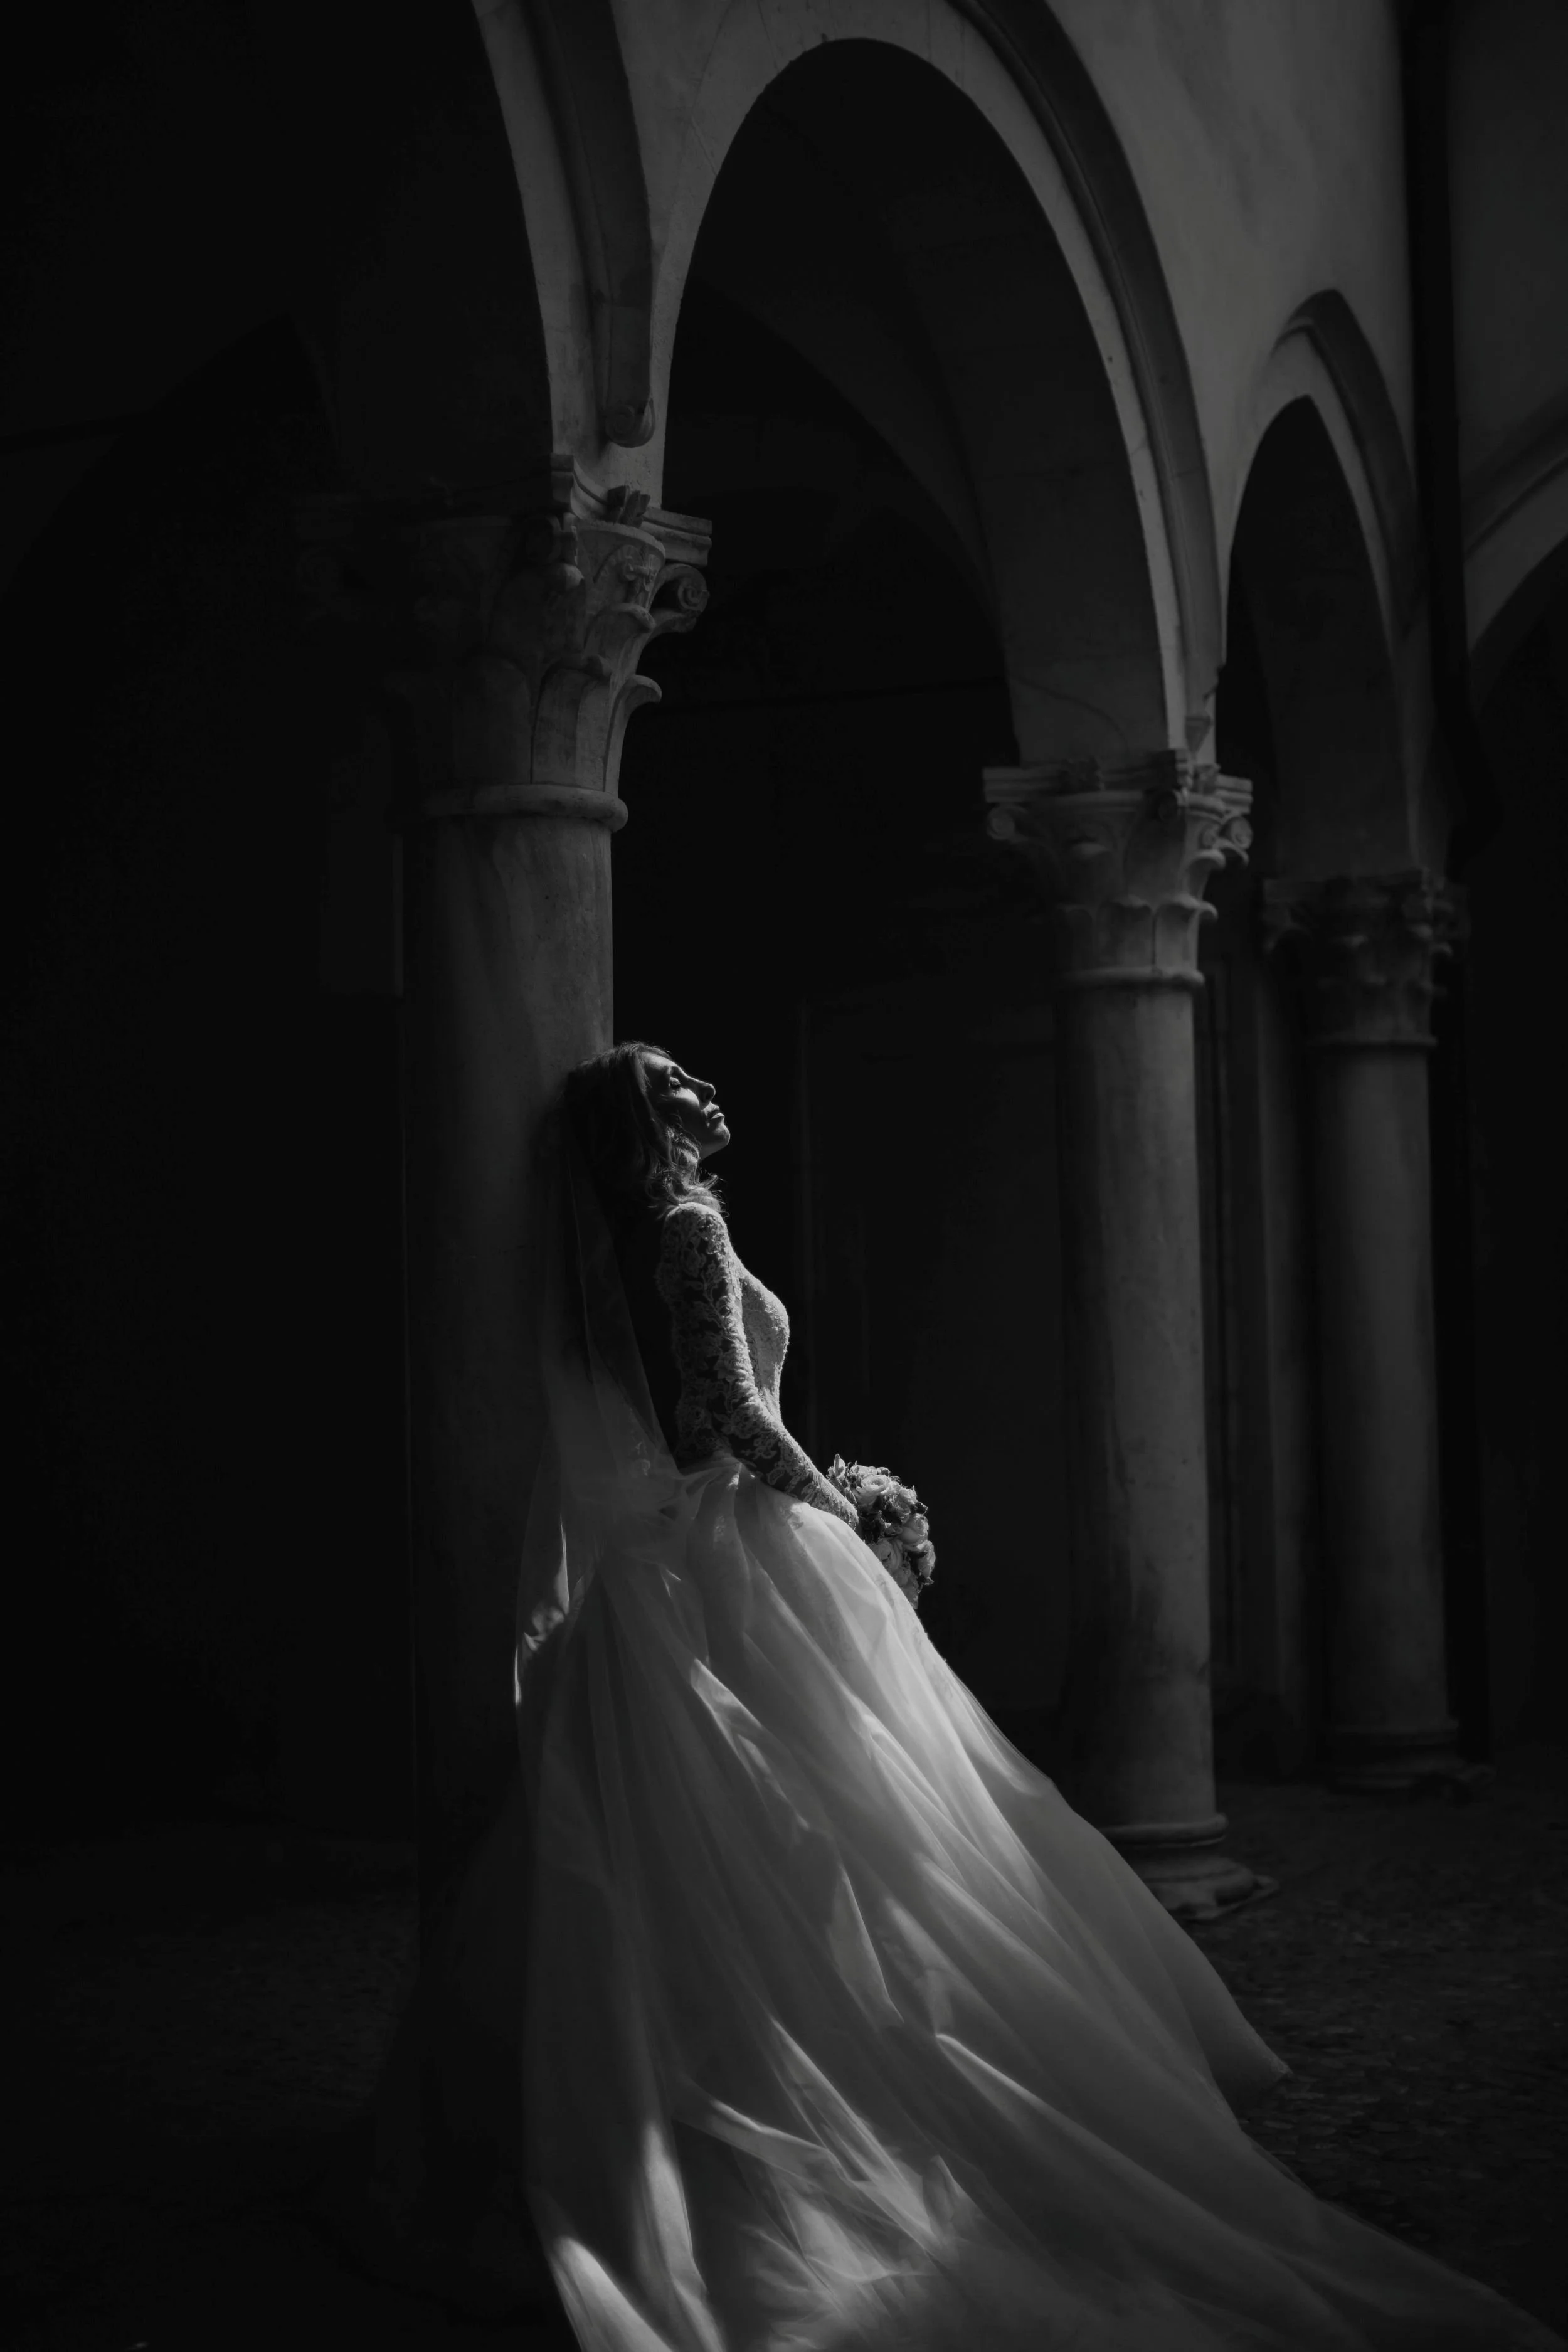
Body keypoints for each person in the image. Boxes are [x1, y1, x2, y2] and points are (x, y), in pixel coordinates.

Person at [497, 1038, 1563, 2352]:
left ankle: (773, 2067)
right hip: (748, 1542)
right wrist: (846, 1515)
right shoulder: (685, 1225)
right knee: (866, 1825)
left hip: (691, 1552)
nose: (711, 1096)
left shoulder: (648, 1231)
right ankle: (860, 2089)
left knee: (810, 1831)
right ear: (643, 1124)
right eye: (679, 1090)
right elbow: (724, 1408)